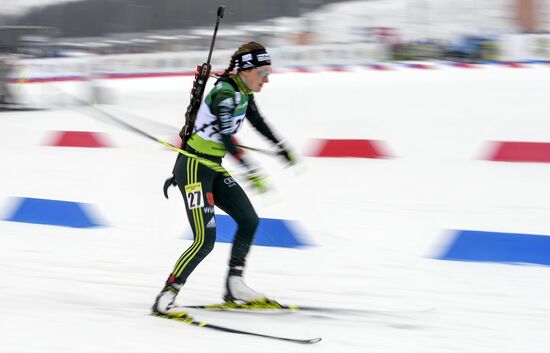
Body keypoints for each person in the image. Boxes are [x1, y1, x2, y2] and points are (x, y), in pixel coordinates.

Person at [152, 41, 295, 316]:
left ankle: (235, 284)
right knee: (205, 239)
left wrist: (281, 146)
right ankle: (166, 295)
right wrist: (251, 170)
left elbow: (258, 122)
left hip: (212, 166)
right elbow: (229, 139)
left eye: (269, 72)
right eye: (263, 72)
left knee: (249, 220)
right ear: (246, 70)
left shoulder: (243, 93)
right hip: (194, 167)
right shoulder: (225, 94)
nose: (267, 78)